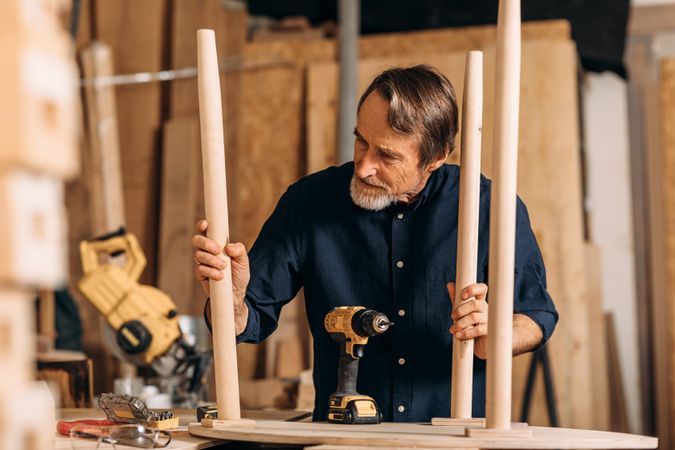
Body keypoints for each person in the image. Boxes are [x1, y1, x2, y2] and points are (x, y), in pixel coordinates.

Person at [192, 64, 558, 422]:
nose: (364, 166)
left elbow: (537, 315)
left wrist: (495, 333)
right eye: (361, 141)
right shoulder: (309, 203)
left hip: (451, 439)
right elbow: (250, 318)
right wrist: (233, 301)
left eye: (387, 155)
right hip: (342, 441)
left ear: (435, 159)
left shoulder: (488, 207)